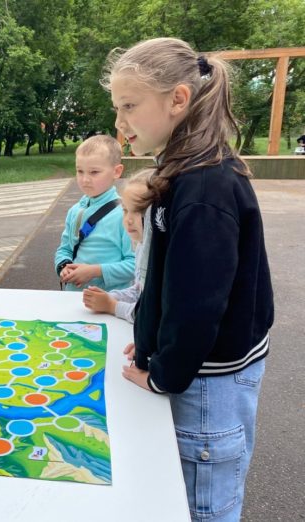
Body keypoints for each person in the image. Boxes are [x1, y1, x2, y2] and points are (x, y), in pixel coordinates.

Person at [103, 37, 274, 521]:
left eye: (129, 106)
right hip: (196, 373)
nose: (119, 123)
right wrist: (152, 338)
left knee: (204, 509)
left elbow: (198, 304)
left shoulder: (204, 187)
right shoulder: (181, 173)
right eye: (117, 108)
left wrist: (165, 373)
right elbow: (167, 280)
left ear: (177, 99)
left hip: (208, 388)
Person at [54, 134, 135, 291]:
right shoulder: (75, 211)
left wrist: (95, 271)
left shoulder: (125, 214)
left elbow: (134, 265)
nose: (85, 179)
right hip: (73, 297)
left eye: (94, 172)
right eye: (80, 171)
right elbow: (65, 249)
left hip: (109, 299)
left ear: (117, 171)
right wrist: (64, 266)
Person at [82, 168, 153, 323]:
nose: (128, 220)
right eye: (125, 210)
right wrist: (109, 296)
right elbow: (139, 291)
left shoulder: (161, 255)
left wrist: (111, 306)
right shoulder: (141, 245)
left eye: (139, 211)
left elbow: (150, 314)